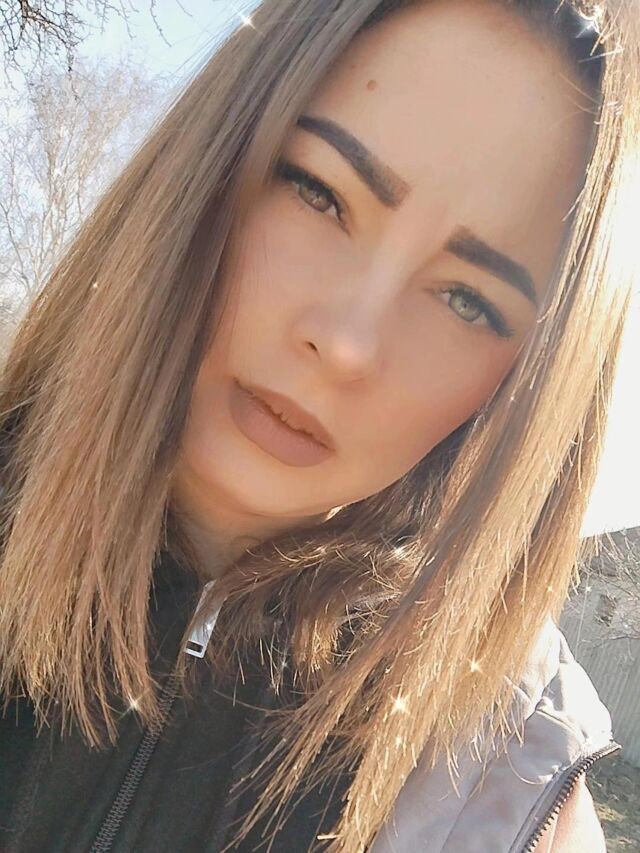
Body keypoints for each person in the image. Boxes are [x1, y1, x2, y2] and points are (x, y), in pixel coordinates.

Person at [0, 0, 637, 850]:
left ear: (523, 387)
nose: (346, 344)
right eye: (319, 192)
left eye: (466, 300)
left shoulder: (509, 790)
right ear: (213, 160)